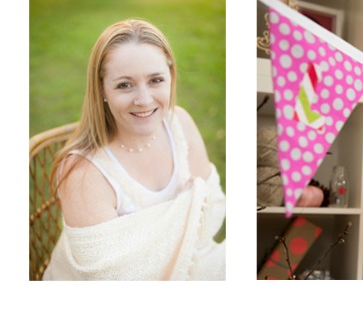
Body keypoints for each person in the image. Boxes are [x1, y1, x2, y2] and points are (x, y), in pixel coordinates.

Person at [43, 19, 226, 280]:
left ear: (171, 77)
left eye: (156, 80)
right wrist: (187, 210)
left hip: (192, 267)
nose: (144, 100)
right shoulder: (84, 173)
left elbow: (213, 212)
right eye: (124, 85)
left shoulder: (180, 123)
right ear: (101, 89)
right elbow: (112, 278)